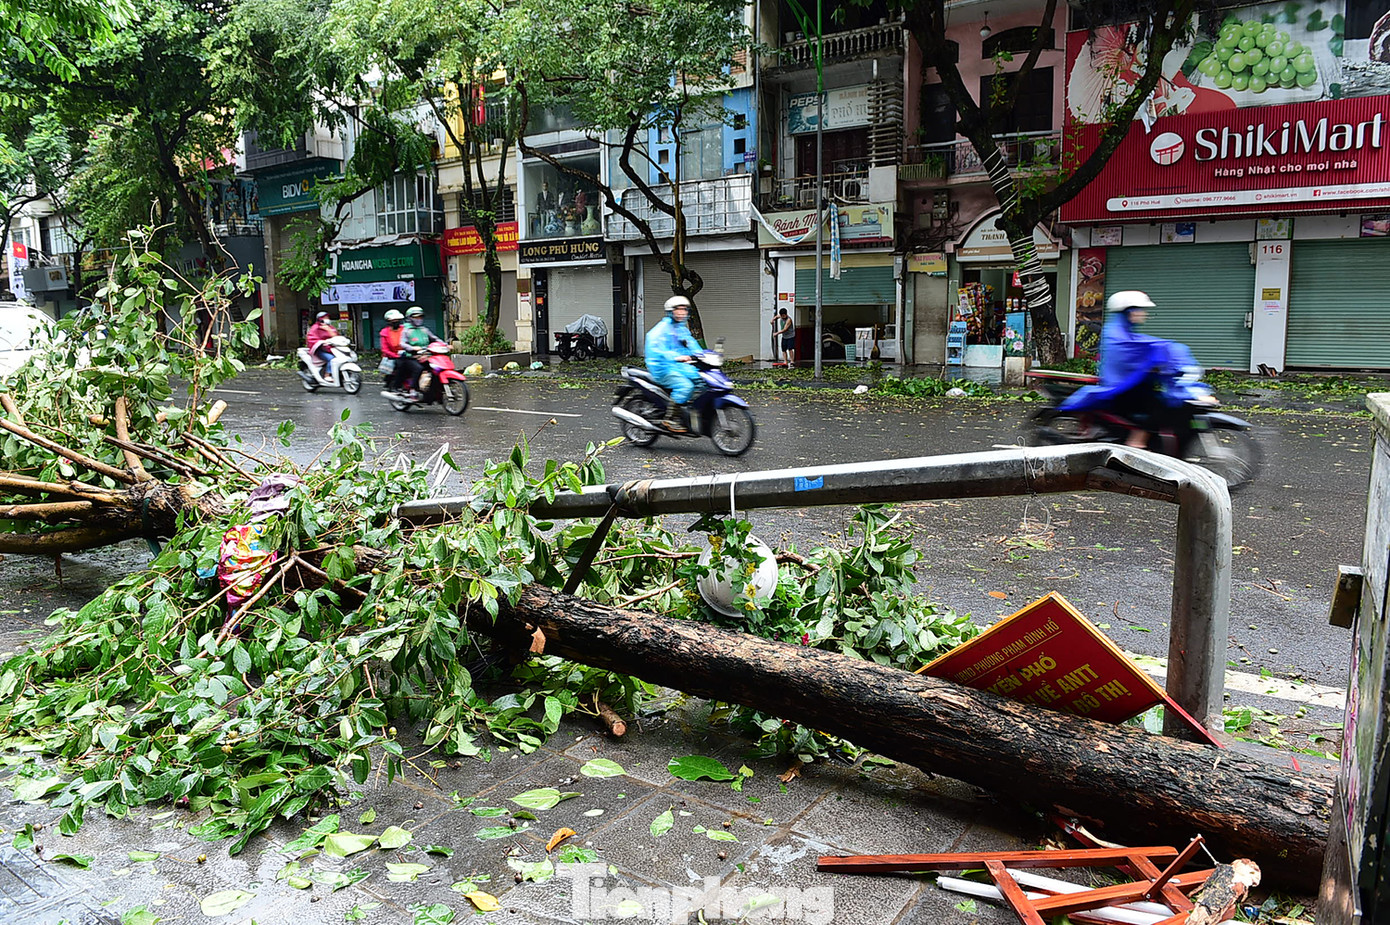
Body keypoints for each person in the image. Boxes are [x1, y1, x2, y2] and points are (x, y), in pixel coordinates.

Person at [1059, 290, 1214, 449]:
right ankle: (1136, 443)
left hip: (1131, 386)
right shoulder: (1116, 333)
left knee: (1160, 401)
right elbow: (1142, 348)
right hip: (1120, 388)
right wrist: (1162, 353)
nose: (1143, 314)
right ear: (1128, 311)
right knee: (1159, 406)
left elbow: (1145, 346)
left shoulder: (1124, 331)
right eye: (1139, 310)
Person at [644, 295, 702, 431]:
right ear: (671, 311)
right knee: (685, 386)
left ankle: (689, 411)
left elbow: (691, 343)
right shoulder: (662, 329)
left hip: (678, 366)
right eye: (678, 309)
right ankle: (670, 418)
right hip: (662, 366)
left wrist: (703, 355)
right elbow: (656, 348)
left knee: (701, 379)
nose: (682, 312)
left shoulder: (681, 329)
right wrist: (676, 357)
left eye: (685, 310)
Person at [397, 306, 444, 398]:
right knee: (418, 369)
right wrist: (413, 348)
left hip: (425, 356)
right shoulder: (407, 330)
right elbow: (402, 343)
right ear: (410, 318)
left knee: (437, 369)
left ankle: (433, 390)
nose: (418, 319)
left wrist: (445, 344)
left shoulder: (424, 329)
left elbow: (434, 338)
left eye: (420, 317)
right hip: (411, 357)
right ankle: (413, 390)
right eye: (416, 317)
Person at [379, 309, 406, 392]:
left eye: (397, 320)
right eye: (393, 321)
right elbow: (385, 349)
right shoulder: (385, 332)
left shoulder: (405, 329)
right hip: (393, 356)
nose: (396, 322)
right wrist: (396, 356)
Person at [306, 311, 338, 378]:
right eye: (325, 317)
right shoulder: (315, 328)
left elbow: (336, 336)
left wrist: (328, 330)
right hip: (320, 350)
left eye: (328, 317)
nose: (327, 319)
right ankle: (327, 375)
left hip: (331, 349)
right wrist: (321, 342)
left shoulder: (330, 327)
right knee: (331, 359)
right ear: (320, 319)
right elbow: (311, 339)